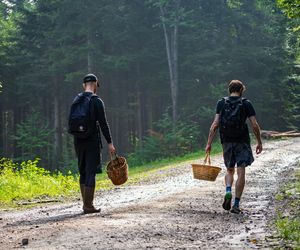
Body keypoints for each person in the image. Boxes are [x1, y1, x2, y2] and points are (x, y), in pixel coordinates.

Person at [205, 80, 263, 214]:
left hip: (226, 140)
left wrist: (208, 143)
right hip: (242, 141)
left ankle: (228, 190)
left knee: (229, 170)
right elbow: (254, 125)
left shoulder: (222, 102)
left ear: (229, 90)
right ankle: (236, 204)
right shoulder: (246, 103)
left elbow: (215, 124)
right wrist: (259, 141)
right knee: (241, 171)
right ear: (241, 90)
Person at [70, 73, 115, 214]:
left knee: (82, 171)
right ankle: (88, 206)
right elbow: (103, 124)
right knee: (90, 172)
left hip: (78, 140)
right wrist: (110, 143)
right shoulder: (96, 101)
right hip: (92, 141)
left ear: (84, 85)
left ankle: (86, 203)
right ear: (96, 84)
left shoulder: (76, 99)